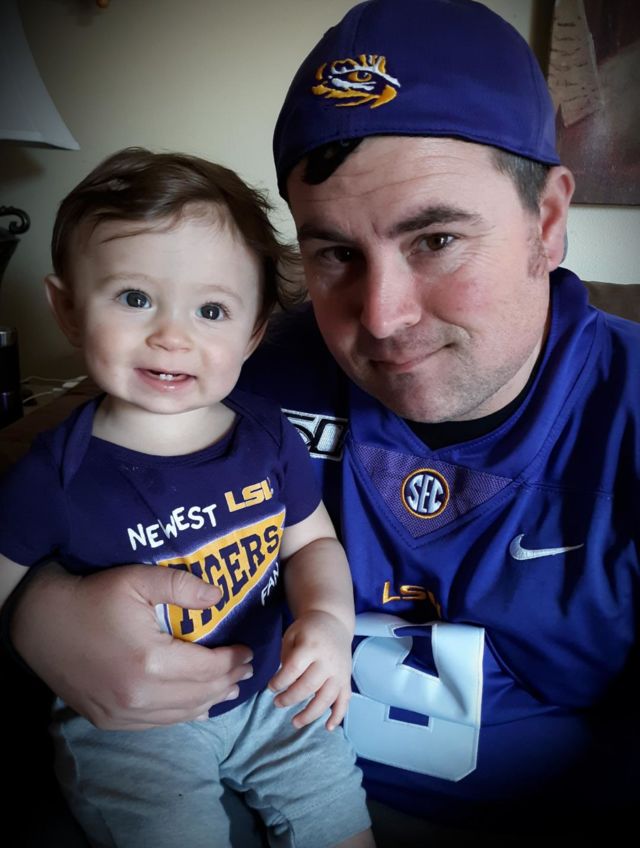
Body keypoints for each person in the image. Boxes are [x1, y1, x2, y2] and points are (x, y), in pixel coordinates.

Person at [4, 0, 639, 845]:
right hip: (225, 766)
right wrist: (40, 614)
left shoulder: (627, 412)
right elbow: (79, 484)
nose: (381, 316)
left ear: (547, 222)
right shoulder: (235, 372)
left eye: (436, 239)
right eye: (335, 253)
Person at [0, 147, 374, 848]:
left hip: (272, 696)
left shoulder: (269, 436)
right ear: (68, 309)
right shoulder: (53, 474)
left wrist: (327, 620)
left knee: (342, 823)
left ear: (253, 332)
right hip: (135, 728)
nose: (172, 335)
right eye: (135, 298)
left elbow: (312, 542)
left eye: (211, 309)